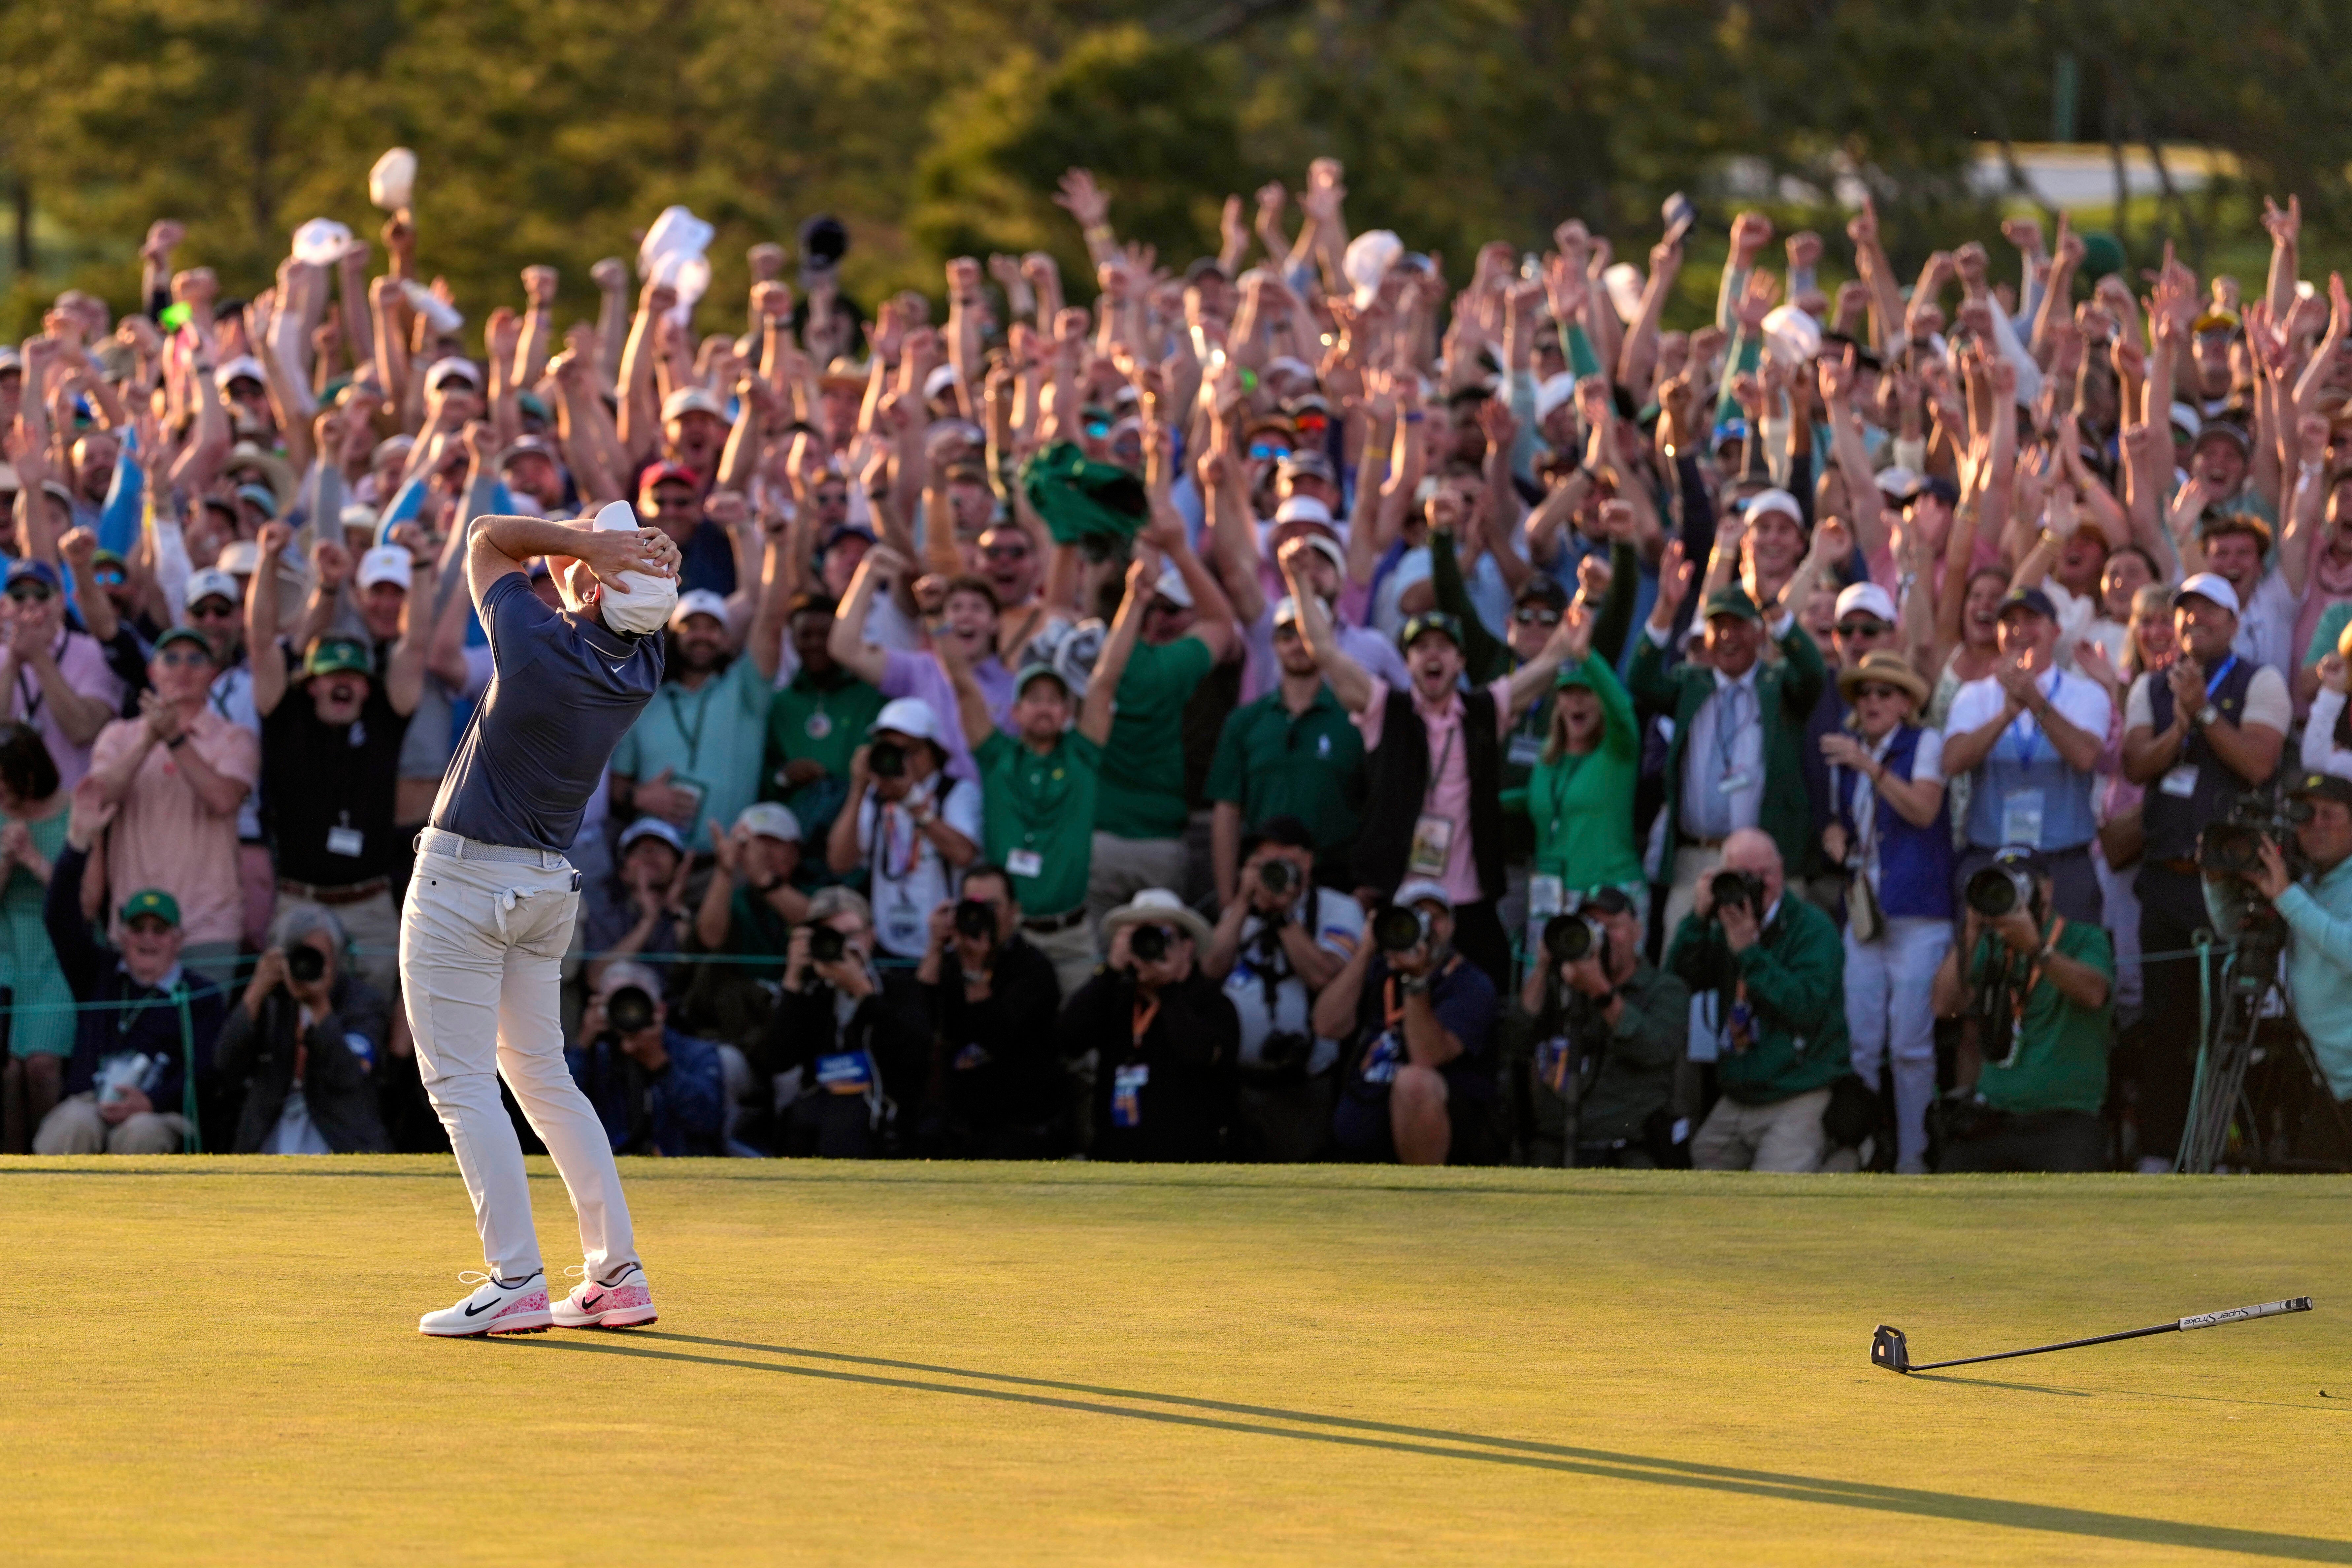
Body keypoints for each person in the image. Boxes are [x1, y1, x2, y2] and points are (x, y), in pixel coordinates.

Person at [404, 506, 681, 1339]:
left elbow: (487, 535)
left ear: (592, 585)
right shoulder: (644, 661)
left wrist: (591, 545)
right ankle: (615, 1273)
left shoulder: (536, 648)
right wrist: (612, 553)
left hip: (464, 884)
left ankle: (516, 1277)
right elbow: (571, 577)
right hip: (544, 890)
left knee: (459, 1081)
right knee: (542, 1076)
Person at [1293, 569, 1578, 991]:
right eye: (1422, 647)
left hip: (1469, 900)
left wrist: (1585, 596)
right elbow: (1323, 651)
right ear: (1407, 663)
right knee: (1387, 1001)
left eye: (1444, 647)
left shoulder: (1485, 710)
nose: (1433, 655)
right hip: (1402, 895)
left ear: (1460, 662)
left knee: (1492, 994)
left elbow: (1552, 661)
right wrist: (1299, 581)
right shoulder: (1383, 708)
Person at [2119, 572, 2286, 1171]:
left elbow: (2259, 762)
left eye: (2209, 612)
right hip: (2165, 880)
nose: (2195, 622)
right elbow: (2135, 763)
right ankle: (2161, 1151)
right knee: (2163, 1027)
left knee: (2224, 1029)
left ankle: (2220, 1150)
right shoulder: (2148, 685)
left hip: (2226, 887)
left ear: (2234, 622)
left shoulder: (2260, 681)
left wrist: (2205, 712)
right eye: (2186, 612)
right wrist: (2180, 725)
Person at [940, 553, 1148, 999]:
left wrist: (1134, 600)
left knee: (1079, 1055)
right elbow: (961, 681)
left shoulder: (1082, 754)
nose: (1043, 707)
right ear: (1014, 712)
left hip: (1071, 939)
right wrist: (934, 618)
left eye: (1054, 699)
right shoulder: (995, 756)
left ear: (1067, 712)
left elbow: (1106, 679)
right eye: (1032, 698)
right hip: (1006, 940)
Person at [1632, 550, 1827, 937]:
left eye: (1737, 625)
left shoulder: (1778, 685)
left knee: (1766, 967)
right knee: (1682, 958)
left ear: (1758, 632)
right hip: (1696, 860)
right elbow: (1639, 680)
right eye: (1716, 626)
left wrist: (1771, 606)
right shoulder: (1691, 684)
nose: (1726, 636)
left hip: (1767, 864)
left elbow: (1812, 671)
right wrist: (1665, 609)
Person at [32, 781, 227, 1155]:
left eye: (159, 930)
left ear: (178, 939)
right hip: (91, 1101)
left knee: (141, 1134)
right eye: (137, 928)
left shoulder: (201, 996)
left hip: (158, 1110)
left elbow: (205, 1072)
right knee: (73, 1124)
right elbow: (59, 916)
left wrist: (153, 1101)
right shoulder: (98, 973)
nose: (148, 939)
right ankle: (51, 1214)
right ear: (121, 935)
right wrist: (77, 844)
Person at [1819, 650, 1952, 1173]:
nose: (1872, 701)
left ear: (1905, 704)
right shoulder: (1850, 754)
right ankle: (1862, 1148)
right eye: (1865, 693)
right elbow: (1843, 823)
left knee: (1909, 1045)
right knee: (1861, 1039)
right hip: (1867, 912)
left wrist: (1870, 768)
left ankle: (1914, 1156)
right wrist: (1835, 836)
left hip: (1917, 913)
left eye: (1885, 693)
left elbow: (1923, 810)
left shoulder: (1922, 744)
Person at [1665, 828, 1848, 1173]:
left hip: (1799, 1090)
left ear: (1779, 873)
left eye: (1763, 874)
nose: (1754, 885)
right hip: (1739, 1096)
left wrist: (1749, 952)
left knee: (1774, 1192)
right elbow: (1677, 984)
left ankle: (1843, 1158)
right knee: (1702, 1168)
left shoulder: (1811, 928)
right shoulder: (1723, 922)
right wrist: (1697, 919)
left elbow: (1806, 1007)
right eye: (1741, 875)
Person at [84, 627, 259, 985]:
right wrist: (151, 737)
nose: (184, 668)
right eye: (171, 658)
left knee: (203, 1040)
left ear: (212, 674)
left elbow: (223, 799)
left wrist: (175, 739)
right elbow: (99, 798)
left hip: (209, 928)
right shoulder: (118, 736)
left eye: (196, 659)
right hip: (135, 927)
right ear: (152, 672)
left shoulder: (235, 737)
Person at [1931, 846, 2116, 1171]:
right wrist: (1971, 931)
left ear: (2046, 889)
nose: (2010, 893)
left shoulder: (2084, 937)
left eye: (2021, 883)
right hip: (1994, 1117)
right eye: (2001, 883)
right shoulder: (1992, 944)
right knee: (1946, 1198)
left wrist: (2036, 949)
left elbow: (2093, 994)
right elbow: (1944, 1006)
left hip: (2066, 1119)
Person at [1939, 587, 2113, 926]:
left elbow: (2085, 757)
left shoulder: (2085, 693)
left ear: (2055, 631)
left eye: (2031, 620)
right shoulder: (1974, 695)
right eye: (2008, 622)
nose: (2019, 630)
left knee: (2068, 968)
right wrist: (2005, 715)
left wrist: (2034, 701)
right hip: (1991, 858)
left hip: (2063, 863)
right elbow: (1952, 762)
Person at [1199, 815, 1365, 1161]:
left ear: (1307, 860)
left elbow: (1323, 976)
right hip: (1236, 1083)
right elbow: (1210, 969)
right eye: (1264, 860)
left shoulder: (1339, 908)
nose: (1273, 868)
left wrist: (1284, 916)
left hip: (1301, 1085)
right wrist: (1243, 903)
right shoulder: (1241, 910)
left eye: (1282, 858)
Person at [1317, 878, 1503, 1165]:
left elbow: (1426, 1057)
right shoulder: (1379, 970)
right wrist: (1366, 949)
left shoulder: (1470, 983)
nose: (1426, 927)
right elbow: (1326, 1025)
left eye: (1435, 918)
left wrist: (1416, 982)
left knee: (1414, 1081)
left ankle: (1421, 1198)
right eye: (1414, 918)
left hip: (1437, 1142)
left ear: (1451, 925)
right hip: (1358, 1143)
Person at [1508, 885, 1688, 1166]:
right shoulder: (1559, 987)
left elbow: (1655, 1048)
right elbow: (1515, 1040)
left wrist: (1600, 993)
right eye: (1591, 927)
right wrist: (1543, 966)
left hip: (1626, 1151)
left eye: (1612, 927)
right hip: (1552, 1148)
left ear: (1637, 933)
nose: (1602, 938)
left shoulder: (1664, 990)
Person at [1205, 594, 1367, 902]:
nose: (1297, 643)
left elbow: (1374, 809)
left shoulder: (1356, 721)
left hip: (1336, 884)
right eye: (1287, 634)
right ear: (1274, 644)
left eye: (1308, 633)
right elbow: (1226, 813)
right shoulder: (1244, 723)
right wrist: (1229, 901)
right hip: (1262, 884)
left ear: (1327, 639)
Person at [1059, 888, 1239, 1161]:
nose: (1149, 946)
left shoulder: (1212, 1004)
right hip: (1114, 1160)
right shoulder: (1115, 998)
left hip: (1188, 1164)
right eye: (1139, 936)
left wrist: (1168, 992)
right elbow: (1069, 1039)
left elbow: (1199, 1054)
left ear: (1187, 947)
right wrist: (1109, 972)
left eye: (1159, 936)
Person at [611, 586, 784, 859]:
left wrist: (779, 548)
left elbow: (772, 625)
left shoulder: (746, 689)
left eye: (713, 628)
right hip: (656, 866)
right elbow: (614, 785)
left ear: (727, 639)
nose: (702, 636)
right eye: (690, 627)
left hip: (726, 865)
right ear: (671, 636)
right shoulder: (643, 701)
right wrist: (638, 797)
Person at [212, 904, 392, 1154]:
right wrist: (256, 990)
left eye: (320, 957)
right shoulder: (274, 999)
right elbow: (225, 1064)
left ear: (337, 958)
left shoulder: (362, 1002)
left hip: (339, 1135)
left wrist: (320, 1008)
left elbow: (349, 1076)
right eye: (301, 956)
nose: (309, 966)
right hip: (270, 1130)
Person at [762, 887, 927, 1157]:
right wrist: (793, 980)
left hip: (880, 1113)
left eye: (850, 935)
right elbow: (777, 1059)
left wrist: (864, 993)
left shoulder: (898, 987)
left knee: (844, 1123)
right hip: (820, 1107)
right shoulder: (812, 995)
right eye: (830, 936)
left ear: (871, 936)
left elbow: (912, 1055)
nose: (840, 945)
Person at [913, 864, 1065, 1157]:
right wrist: (935, 946)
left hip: (1020, 1128)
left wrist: (974, 972)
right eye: (974, 906)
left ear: (1013, 911)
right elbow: (921, 1018)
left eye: (993, 906)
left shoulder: (1033, 968)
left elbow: (996, 1036)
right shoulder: (951, 964)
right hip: (959, 1127)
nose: (982, 916)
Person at [826, 696, 982, 962]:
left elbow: (964, 854)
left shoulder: (955, 792)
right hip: (889, 946)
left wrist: (912, 801)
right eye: (888, 749)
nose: (899, 760)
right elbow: (840, 862)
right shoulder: (876, 797)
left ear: (934, 752)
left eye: (909, 750)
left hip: (945, 948)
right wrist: (858, 789)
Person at [1526, 602, 1645, 939]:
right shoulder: (1548, 759)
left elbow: (1623, 713)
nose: (1576, 703)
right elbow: (1530, 802)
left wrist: (1585, 656)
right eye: (1567, 694)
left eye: (1586, 694)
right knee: (1540, 983)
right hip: (1549, 895)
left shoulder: (1618, 750)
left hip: (1609, 895)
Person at [2242, 771, 2352, 1119]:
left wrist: (2287, 897)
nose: (2315, 825)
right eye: (2304, 815)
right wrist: (2218, 880)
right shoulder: (2301, 887)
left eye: (2329, 815)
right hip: (2325, 1084)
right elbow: (2230, 929)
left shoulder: (2294, 894)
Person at [763, 592, 884, 851]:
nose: (815, 644)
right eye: (805, 635)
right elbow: (763, 775)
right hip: (791, 842)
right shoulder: (780, 704)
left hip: (855, 837)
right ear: (792, 639)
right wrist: (785, 777)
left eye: (825, 635)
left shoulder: (870, 697)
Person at [570, 960, 728, 1158]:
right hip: (609, 1166)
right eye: (619, 1003)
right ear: (603, 1010)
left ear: (660, 1010)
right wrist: (583, 1044)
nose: (629, 1013)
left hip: (681, 1168)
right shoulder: (595, 1057)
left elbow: (708, 1120)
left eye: (637, 1003)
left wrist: (661, 1065)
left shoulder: (697, 1054)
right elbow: (556, 1110)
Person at [0, 722, 71, 1150]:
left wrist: (32, 858)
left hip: (55, 950)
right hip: (7, 946)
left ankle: (53, 1162)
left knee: (41, 1068)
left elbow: (80, 902)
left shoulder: (72, 810)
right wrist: (6, 865)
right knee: (7, 1071)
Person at [0, 558, 124, 789]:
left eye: (40, 594)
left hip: (73, 805)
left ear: (60, 602)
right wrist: (12, 661)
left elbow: (83, 730)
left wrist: (38, 657)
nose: (30, 603)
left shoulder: (92, 651)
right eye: (19, 595)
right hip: (9, 811)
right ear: (4, 605)